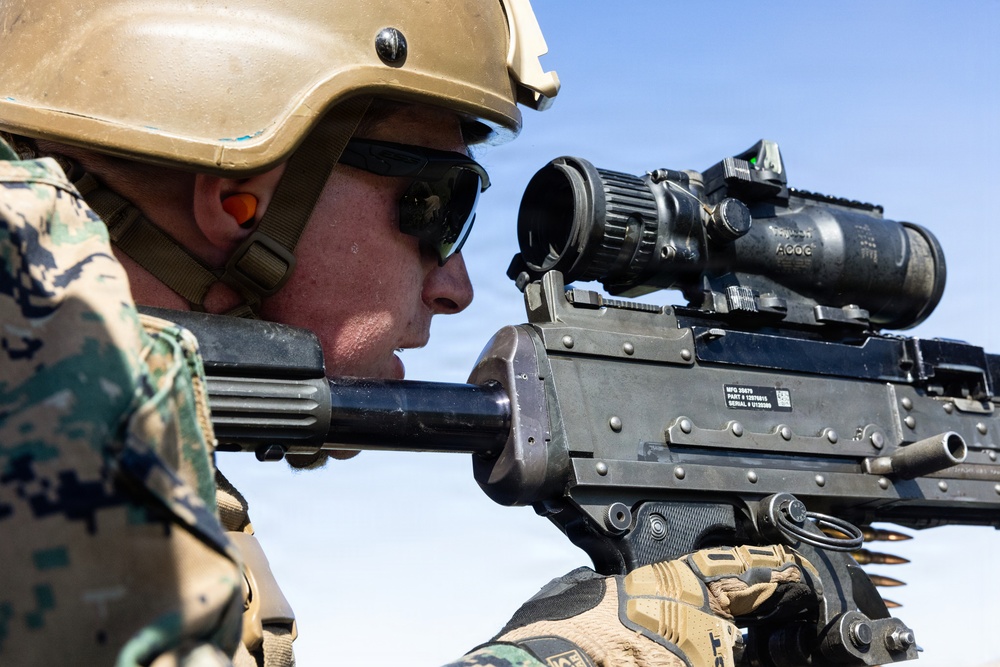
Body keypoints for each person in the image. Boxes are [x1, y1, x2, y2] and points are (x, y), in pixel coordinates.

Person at [0, 1, 817, 665]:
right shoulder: (34, 363)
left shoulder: (78, 381)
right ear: (243, 192)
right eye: (438, 205)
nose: (456, 285)